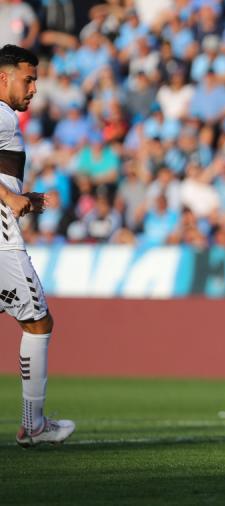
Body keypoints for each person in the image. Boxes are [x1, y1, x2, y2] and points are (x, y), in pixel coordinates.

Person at [0, 44, 75, 447]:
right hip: (2, 243)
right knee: (38, 322)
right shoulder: (1, 114)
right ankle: (33, 425)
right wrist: (9, 198)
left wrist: (20, 195)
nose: (33, 89)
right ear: (3, 78)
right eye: (27, 80)